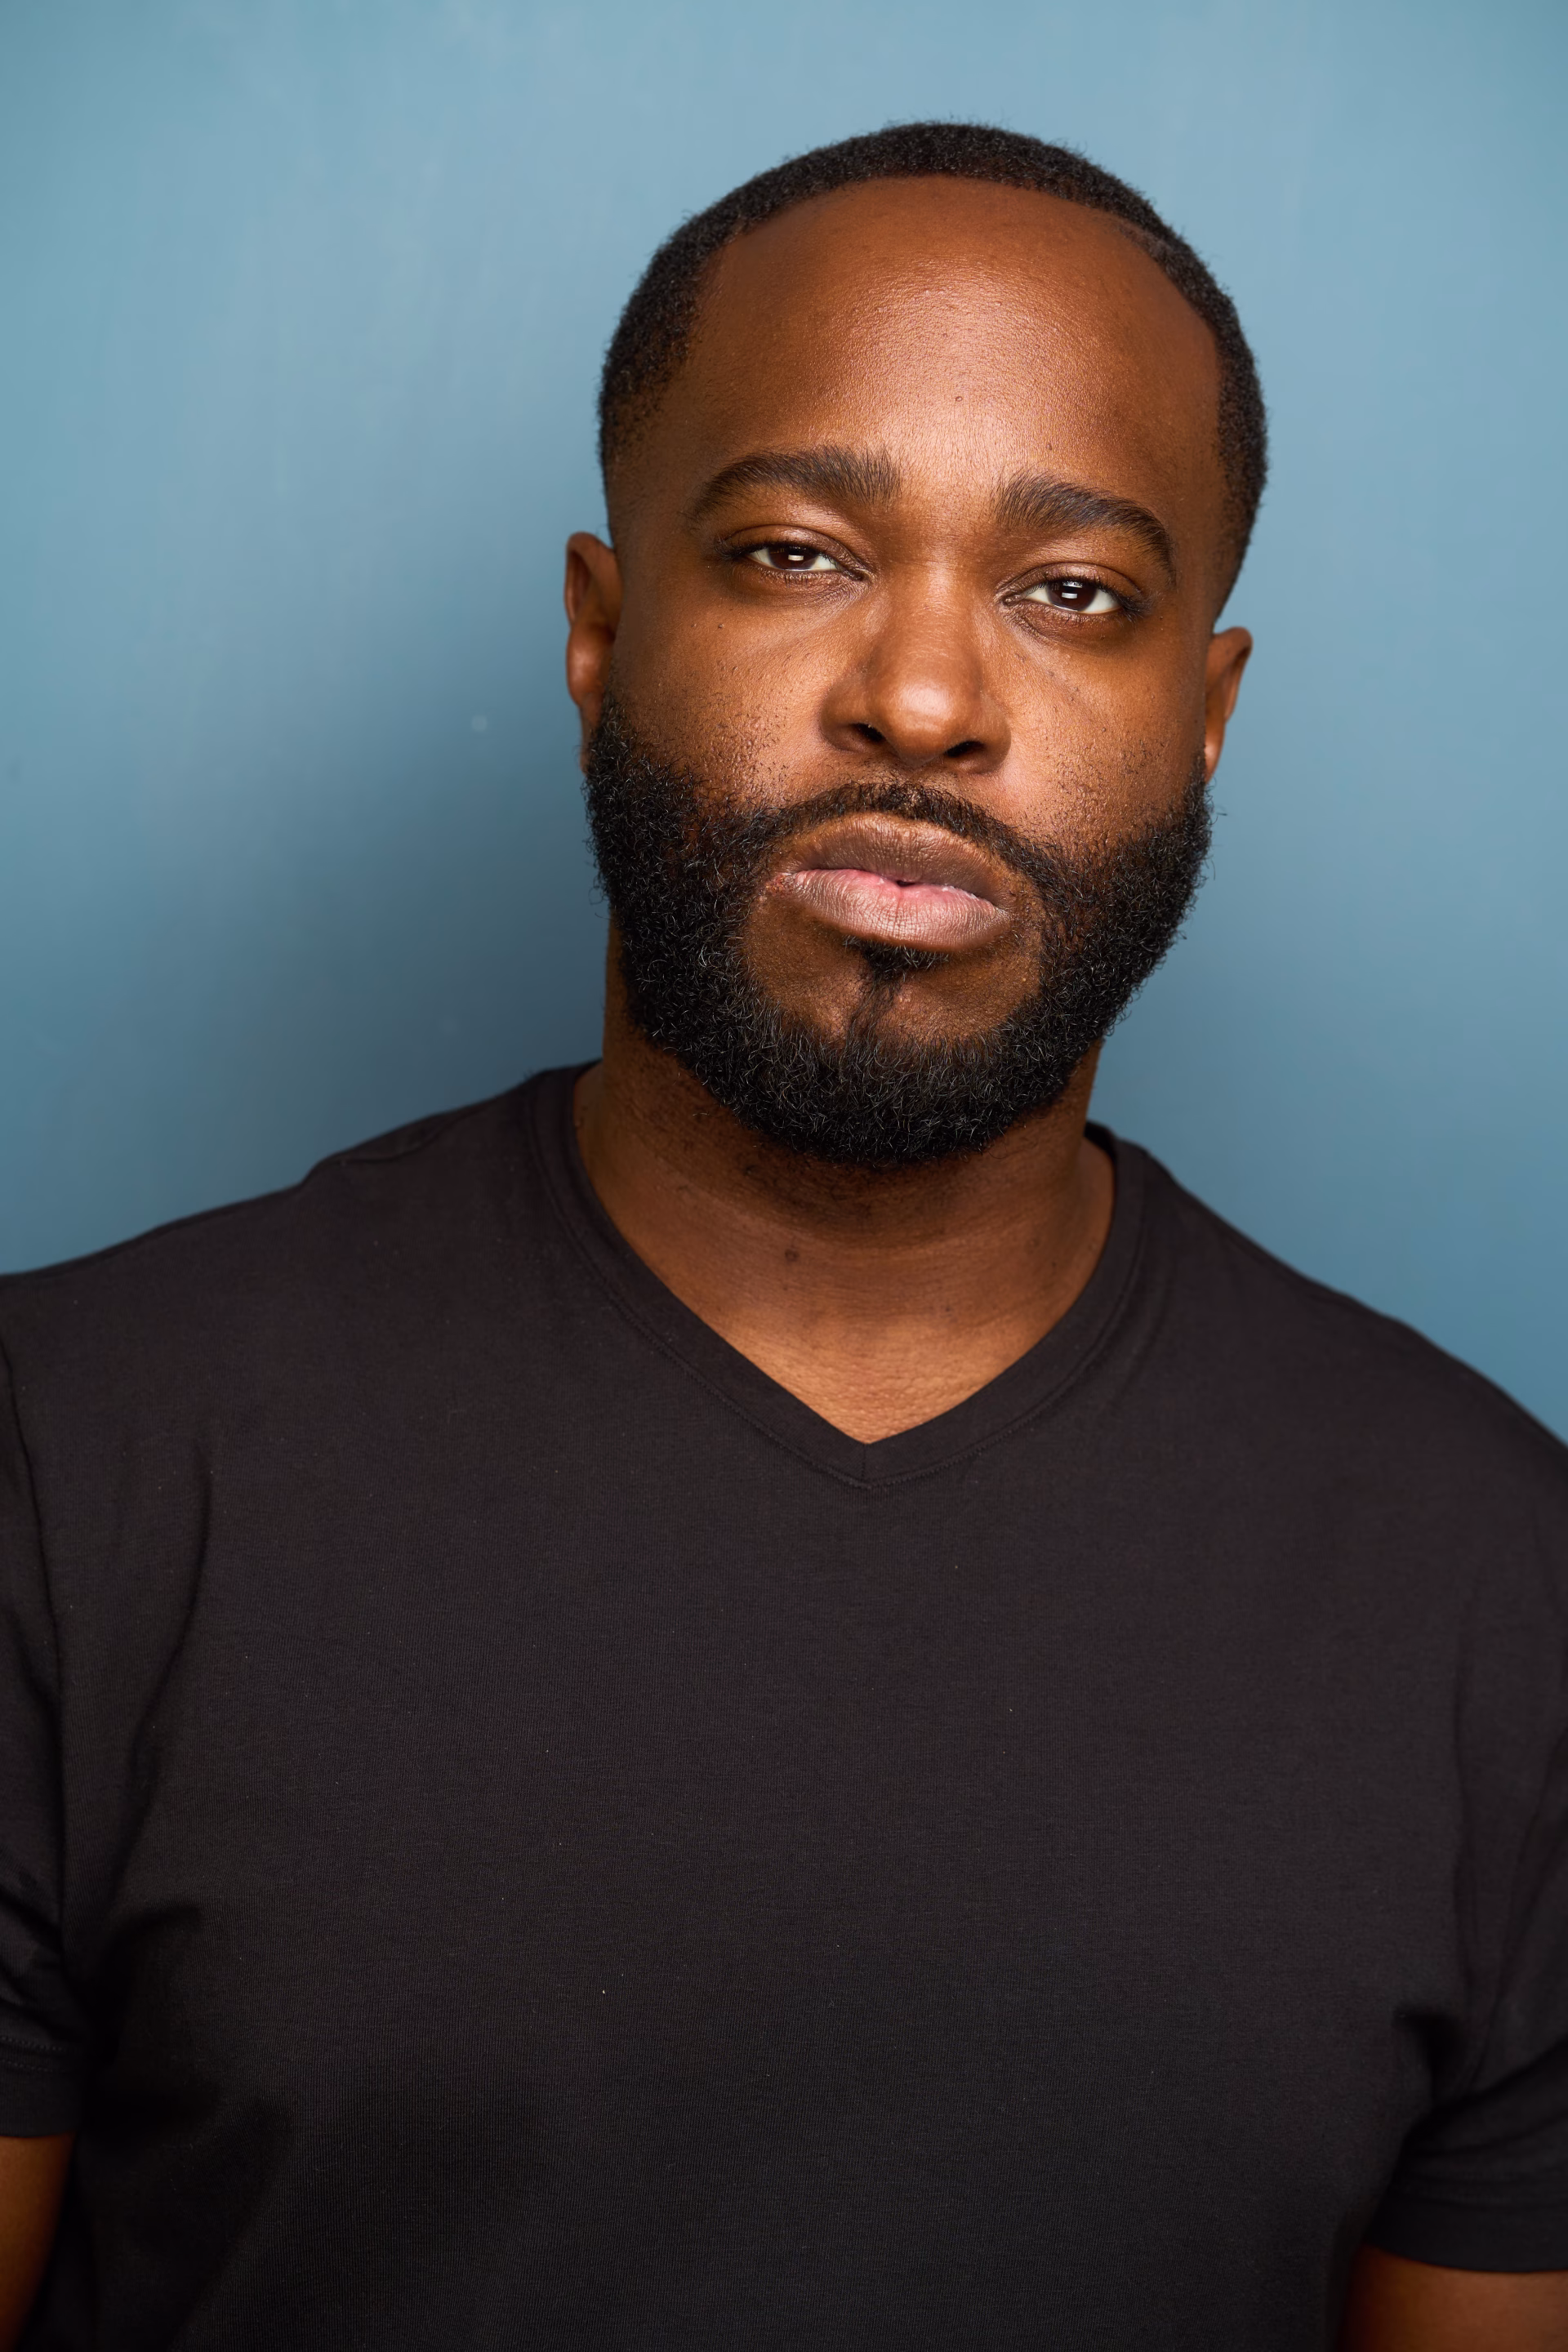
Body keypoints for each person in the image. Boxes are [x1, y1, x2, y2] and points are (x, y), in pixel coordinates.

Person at [2, 121, 1565, 2352]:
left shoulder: (1501, 1594)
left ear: (1206, 720)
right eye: (795, 553)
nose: (921, 702)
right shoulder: (69, 1458)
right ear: (599, 631)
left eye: (1074, 593)